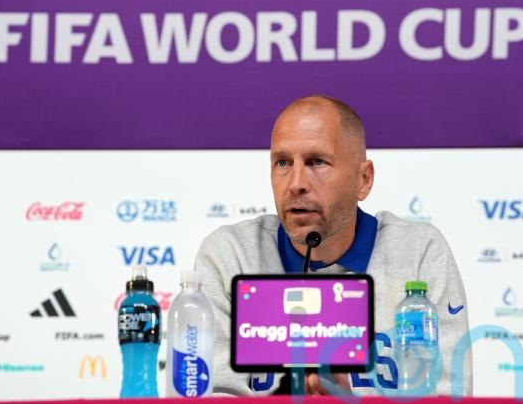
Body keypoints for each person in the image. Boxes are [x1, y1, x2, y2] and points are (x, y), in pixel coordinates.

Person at [194, 95, 473, 396]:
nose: (296, 183)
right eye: (283, 162)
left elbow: (446, 396)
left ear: (363, 180)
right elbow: (211, 396)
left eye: (317, 162)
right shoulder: (231, 256)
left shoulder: (418, 254)